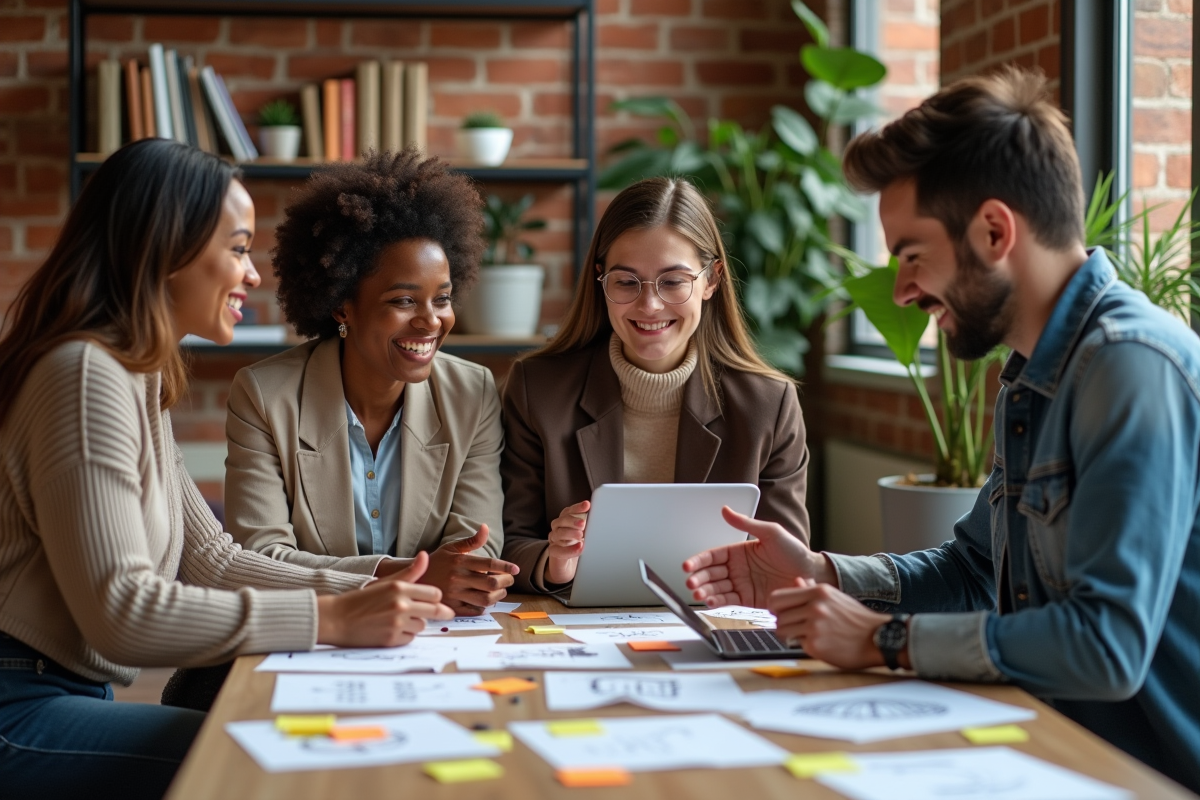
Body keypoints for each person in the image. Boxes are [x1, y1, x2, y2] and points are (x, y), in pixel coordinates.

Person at [681, 67, 1200, 793]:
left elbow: (1105, 646)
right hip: (1046, 747)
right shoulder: (1034, 374)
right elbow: (975, 571)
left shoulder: (1129, 366)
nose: (900, 292)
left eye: (912, 256)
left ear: (994, 231)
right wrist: (824, 574)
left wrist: (882, 639)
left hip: (1141, 775)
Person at [0, 139, 453, 800]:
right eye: (238, 249)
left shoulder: (132, 375)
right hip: (18, 707)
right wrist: (331, 619)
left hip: (57, 692)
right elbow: (122, 611)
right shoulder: (85, 376)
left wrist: (379, 581)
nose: (252, 275)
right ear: (167, 249)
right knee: (269, 756)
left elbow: (211, 560)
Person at [221, 149, 518, 617]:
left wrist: (468, 573)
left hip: (435, 634)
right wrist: (398, 575)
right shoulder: (265, 397)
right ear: (343, 307)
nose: (430, 322)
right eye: (403, 301)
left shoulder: (472, 393)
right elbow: (259, 562)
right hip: (317, 636)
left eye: (442, 299)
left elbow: (475, 549)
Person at [501, 176, 810, 594]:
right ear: (601, 281)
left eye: (673, 281)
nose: (649, 305)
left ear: (712, 280)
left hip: (715, 616)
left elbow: (788, 563)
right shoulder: (537, 390)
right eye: (626, 282)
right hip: (570, 617)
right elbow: (511, 543)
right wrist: (556, 562)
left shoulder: (769, 406)